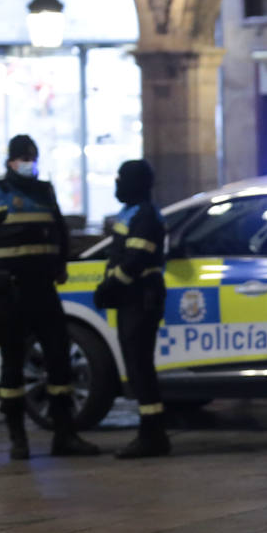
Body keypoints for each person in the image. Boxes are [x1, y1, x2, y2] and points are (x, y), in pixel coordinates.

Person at [0, 135, 100, 459]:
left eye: (33, 156)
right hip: (8, 292)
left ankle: (64, 435)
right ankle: (18, 439)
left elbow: (59, 231)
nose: (30, 161)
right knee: (13, 365)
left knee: (59, 360)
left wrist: (61, 264)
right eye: (25, 156)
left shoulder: (44, 192)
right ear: (11, 161)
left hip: (43, 289)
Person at [95, 160, 171, 459]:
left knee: (140, 368)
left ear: (137, 183)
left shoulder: (145, 215)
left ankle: (152, 435)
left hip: (141, 298)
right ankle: (151, 432)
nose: (117, 184)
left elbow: (135, 259)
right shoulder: (132, 212)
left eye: (121, 179)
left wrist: (110, 286)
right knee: (137, 368)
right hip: (133, 299)